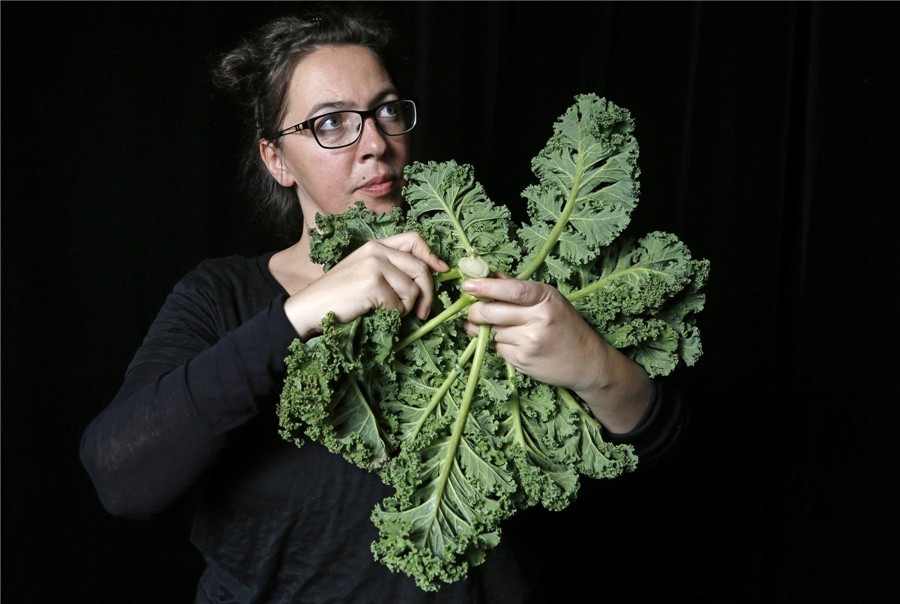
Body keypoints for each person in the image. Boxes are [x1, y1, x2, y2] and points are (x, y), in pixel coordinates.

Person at [80, 6, 686, 603]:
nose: (374, 143)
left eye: (386, 111)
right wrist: (299, 314)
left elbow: (665, 458)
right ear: (276, 159)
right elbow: (122, 477)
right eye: (331, 123)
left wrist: (596, 367)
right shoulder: (223, 297)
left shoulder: (499, 277)